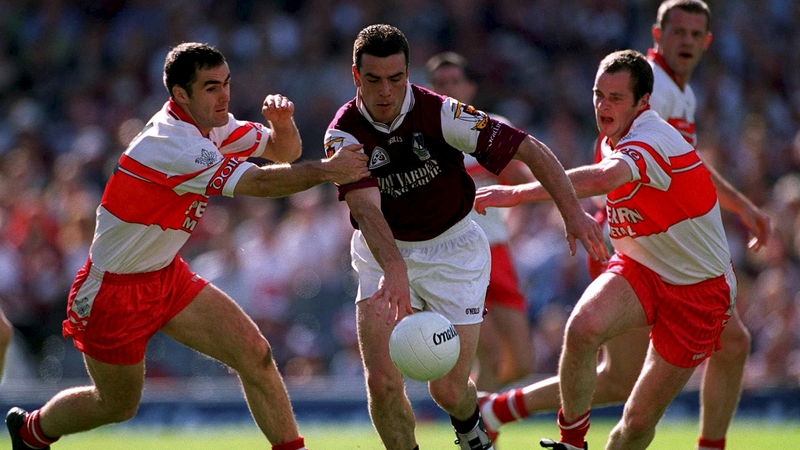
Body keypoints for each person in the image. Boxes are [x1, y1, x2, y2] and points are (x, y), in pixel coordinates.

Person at [4, 42, 370, 450]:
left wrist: (281, 124)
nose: (225, 95)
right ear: (181, 94)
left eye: (226, 83)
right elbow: (261, 183)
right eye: (212, 87)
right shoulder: (172, 142)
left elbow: (285, 152)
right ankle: (31, 431)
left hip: (165, 273)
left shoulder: (213, 125)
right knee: (117, 404)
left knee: (255, 354)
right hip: (114, 291)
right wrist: (329, 170)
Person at [477, 3, 771, 450]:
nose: (686, 42)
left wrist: (742, 205)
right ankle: (563, 438)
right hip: (637, 250)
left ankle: (498, 410)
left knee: (635, 394)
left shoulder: (669, 100)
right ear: (657, 35)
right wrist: (743, 206)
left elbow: (674, 169)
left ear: (708, 42)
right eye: (678, 32)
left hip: (686, 272)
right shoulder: (656, 88)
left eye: (696, 34)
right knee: (596, 345)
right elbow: (620, 175)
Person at [324, 24, 607, 450]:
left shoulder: (442, 113)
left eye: (396, 79)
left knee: (449, 390)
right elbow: (366, 209)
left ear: (408, 73)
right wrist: (395, 267)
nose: (385, 91)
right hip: (382, 252)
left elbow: (529, 149)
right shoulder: (342, 134)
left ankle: (474, 434)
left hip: (453, 251)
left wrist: (572, 213)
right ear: (355, 76)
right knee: (382, 382)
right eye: (373, 79)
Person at [426, 51, 536, 391]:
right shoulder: (422, 139)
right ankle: (470, 418)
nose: (447, 89)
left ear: (470, 87)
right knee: (488, 354)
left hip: (497, 252)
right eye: (439, 84)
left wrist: (516, 223)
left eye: (454, 81)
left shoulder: (490, 129)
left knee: (522, 363)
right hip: (454, 257)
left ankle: (461, 401)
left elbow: (523, 183)